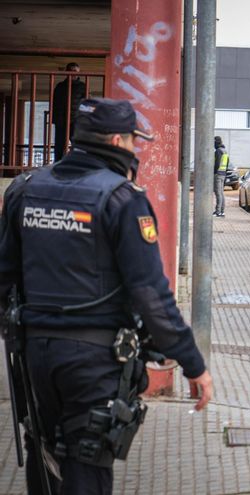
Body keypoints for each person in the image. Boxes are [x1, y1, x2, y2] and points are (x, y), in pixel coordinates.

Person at [0, 98, 214, 494]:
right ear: (117, 140)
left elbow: (4, 277)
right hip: (94, 361)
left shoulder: (25, 189)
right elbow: (151, 296)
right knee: (86, 459)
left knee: (43, 452)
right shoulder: (122, 199)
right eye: (134, 141)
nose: (135, 149)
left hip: (34, 356)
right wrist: (193, 363)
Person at [52, 62, 88, 162]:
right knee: (59, 146)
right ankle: (58, 166)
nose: (73, 74)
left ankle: (79, 166)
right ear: (66, 72)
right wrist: (55, 119)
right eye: (71, 71)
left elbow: (86, 104)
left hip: (75, 121)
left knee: (78, 145)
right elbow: (54, 103)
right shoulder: (60, 86)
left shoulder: (83, 87)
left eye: (75, 71)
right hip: (61, 121)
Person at [213, 136, 229, 217]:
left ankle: (218, 212)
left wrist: (214, 172)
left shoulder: (218, 151)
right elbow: (227, 165)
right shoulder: (225, 151)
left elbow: (217, 164)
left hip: (218, 174)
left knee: (218, 193)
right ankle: (222, 211)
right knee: (221, 193)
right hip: (223, 174)